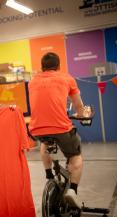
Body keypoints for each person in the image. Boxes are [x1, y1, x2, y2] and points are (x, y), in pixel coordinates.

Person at [28, 52, 92, 208]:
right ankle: (72, 190)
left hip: (36, 129)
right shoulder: (67, 78)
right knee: (75, 155)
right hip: (61, 128)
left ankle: (49, 173)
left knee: (45, 141)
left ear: (42, 67)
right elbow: (79, 107)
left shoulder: (32, 81)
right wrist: (84, 114)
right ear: (59, 66)